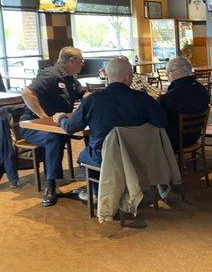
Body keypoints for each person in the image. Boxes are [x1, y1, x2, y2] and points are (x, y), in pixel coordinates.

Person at [53, 58, 167, 200]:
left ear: (107, 76)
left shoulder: (93, 100)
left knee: (83, 156)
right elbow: (162, 122)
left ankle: (97, 194)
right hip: (138, 154)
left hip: (104, 157)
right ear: (127, 77)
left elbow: (71, 128)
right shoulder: (143, 98)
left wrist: (60, 118)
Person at [20, 46, 85, 207]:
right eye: (81, 61)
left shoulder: (70, 77)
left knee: (90, 131)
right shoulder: (50, 75)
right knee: (54, 139)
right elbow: (27, 93)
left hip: (60, 124)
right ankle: (51, 186)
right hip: (33, 126)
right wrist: (44, 117)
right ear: (71, 61)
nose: (82, 64)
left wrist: (93, 99)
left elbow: (83, 93)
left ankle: (92, 170)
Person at [158, 57, 210, 152]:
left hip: (176, 140)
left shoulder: (171, 96)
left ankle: (164, 165)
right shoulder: (202, 89)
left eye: (169, 71)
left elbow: (158, 118)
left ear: (180, 72)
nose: (166, 75)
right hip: (195, 135)